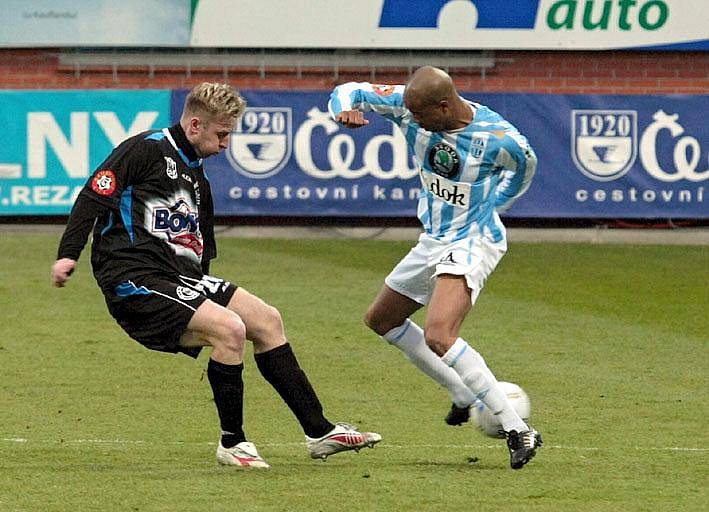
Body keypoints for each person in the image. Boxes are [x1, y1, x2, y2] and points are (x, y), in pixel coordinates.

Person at [51, 82, 381, 469]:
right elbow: (94, 194)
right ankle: (233, 443)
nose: (227, 143)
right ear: (194, 126)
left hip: (178, 278)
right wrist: (68, 254)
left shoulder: (197, 179)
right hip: (134, 278)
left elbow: (203, 252)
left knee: (266, 319)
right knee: (229, 329)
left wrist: (203, 293)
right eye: (222, 133)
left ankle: (319, 431)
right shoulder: (145, 149)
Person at [329, 67, 541, 469]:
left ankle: (518, 428)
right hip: (434, 238)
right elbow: (348, 91)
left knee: (439, 333)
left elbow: (526, 166)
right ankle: (462, 394)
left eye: (421, 116)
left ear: (444, 107)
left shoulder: (498, 140)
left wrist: (498, 203)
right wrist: (343, 112)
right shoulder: (410, 108)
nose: (412, 121)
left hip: (474, 240)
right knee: (382, 319)